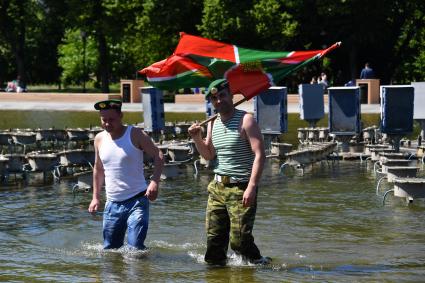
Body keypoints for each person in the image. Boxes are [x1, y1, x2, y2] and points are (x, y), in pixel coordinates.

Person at [188, 79, 269, 266]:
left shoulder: (245, 119)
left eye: (222, 96)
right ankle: (217, 275)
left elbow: (260, 155)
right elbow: (208, 155)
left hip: (241, 186)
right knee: (214, 243)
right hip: (217, 187)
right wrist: (196, 138)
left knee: (239, 240)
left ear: (231, 95)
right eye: (214, 98)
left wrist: (252, 187)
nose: (218, 101)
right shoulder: (212, 123)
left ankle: (259, 263)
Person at [88, 99, 164, 250]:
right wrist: (95, 197)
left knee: (135, 249)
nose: (108, 124)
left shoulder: (135, 134)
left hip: (137, 200)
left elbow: (159, 155)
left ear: (121, 116)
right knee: (110, 250)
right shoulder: (99, 139)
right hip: (112, 203)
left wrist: (154, 181)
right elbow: (98, 168)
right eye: (104, 120)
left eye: (112, 119)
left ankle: (140, 273)